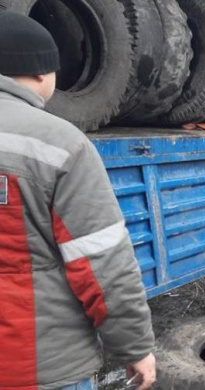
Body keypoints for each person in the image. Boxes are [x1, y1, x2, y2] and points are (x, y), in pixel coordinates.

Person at [0, 12, 155, 390]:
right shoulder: (58, 143)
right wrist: (135, 347)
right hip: (36, 366)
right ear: (41, 72)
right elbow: (101, 260)